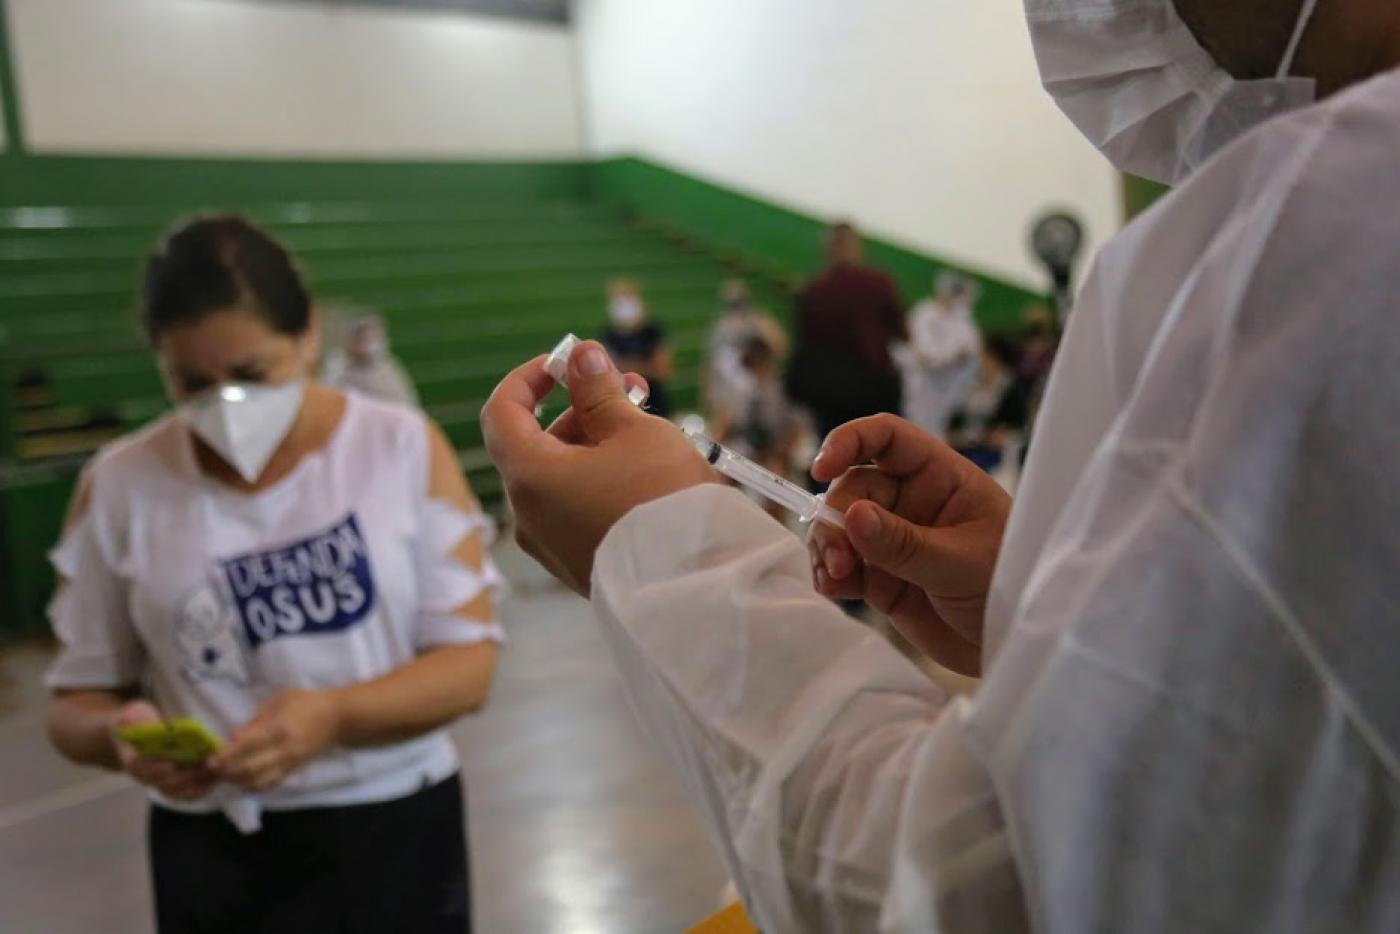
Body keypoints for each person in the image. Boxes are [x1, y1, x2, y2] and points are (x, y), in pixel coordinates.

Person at [482, 0, 1400, 929]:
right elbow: (1287, 724)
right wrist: (1051, 599)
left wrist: (662, 550)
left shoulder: (1342, 228)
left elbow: (999, 895)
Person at [45, 216, 503, 934]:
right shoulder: (120, 485)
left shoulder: (399, 448)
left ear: (308, 335)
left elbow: (468, 666)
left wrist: (333, 716)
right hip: (214, 850)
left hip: (391, 824)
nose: (226, 405)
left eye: (252, 375)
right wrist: (118, 735)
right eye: (192, 384)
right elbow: (75, 703)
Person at [785, 223, 907, 442]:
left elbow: (804, 344)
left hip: (828, 395)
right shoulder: (878, 283)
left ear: (828, 249)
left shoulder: (813, 291)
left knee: (833, 457)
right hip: (873, 390)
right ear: (856, 247)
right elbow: (901, 332)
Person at [709, 335, 804, 522]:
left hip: (774, 450)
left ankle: (777, 532)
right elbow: (725, 423)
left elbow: (797, 427)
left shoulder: (785, 390)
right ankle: (727, 527)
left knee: (776, 485)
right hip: (743, 448)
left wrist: (782, 454)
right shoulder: (738, 389)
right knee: (720, 479)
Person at [894, 273, 983, 437]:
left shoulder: (965, 323)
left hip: (946, 391)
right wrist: (948, 358)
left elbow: (969, 353)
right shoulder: (925, 313)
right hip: (919, 385)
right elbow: (923, 353)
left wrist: (952, 358)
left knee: (932, 431)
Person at [704, 278, 788, 421]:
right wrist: (708, 392)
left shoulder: (759, 321)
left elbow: (780, 347)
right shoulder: (720, 327)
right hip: (730, 389)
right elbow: (712, 362)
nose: (735, 305)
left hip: (759, 387)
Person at [600, 278, 674, 418]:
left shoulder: (653, 331)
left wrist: (624, 366)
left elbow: (663, 370)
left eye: (627, 298)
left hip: (655, 406)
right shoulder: (608, 335)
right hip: (624, 409)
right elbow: (608, 375)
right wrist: (645, 366)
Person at [322, 313, 420, 408]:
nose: (367, 345)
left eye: (371, 338)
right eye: (362, 338)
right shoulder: (338, 366)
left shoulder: (388, 371)